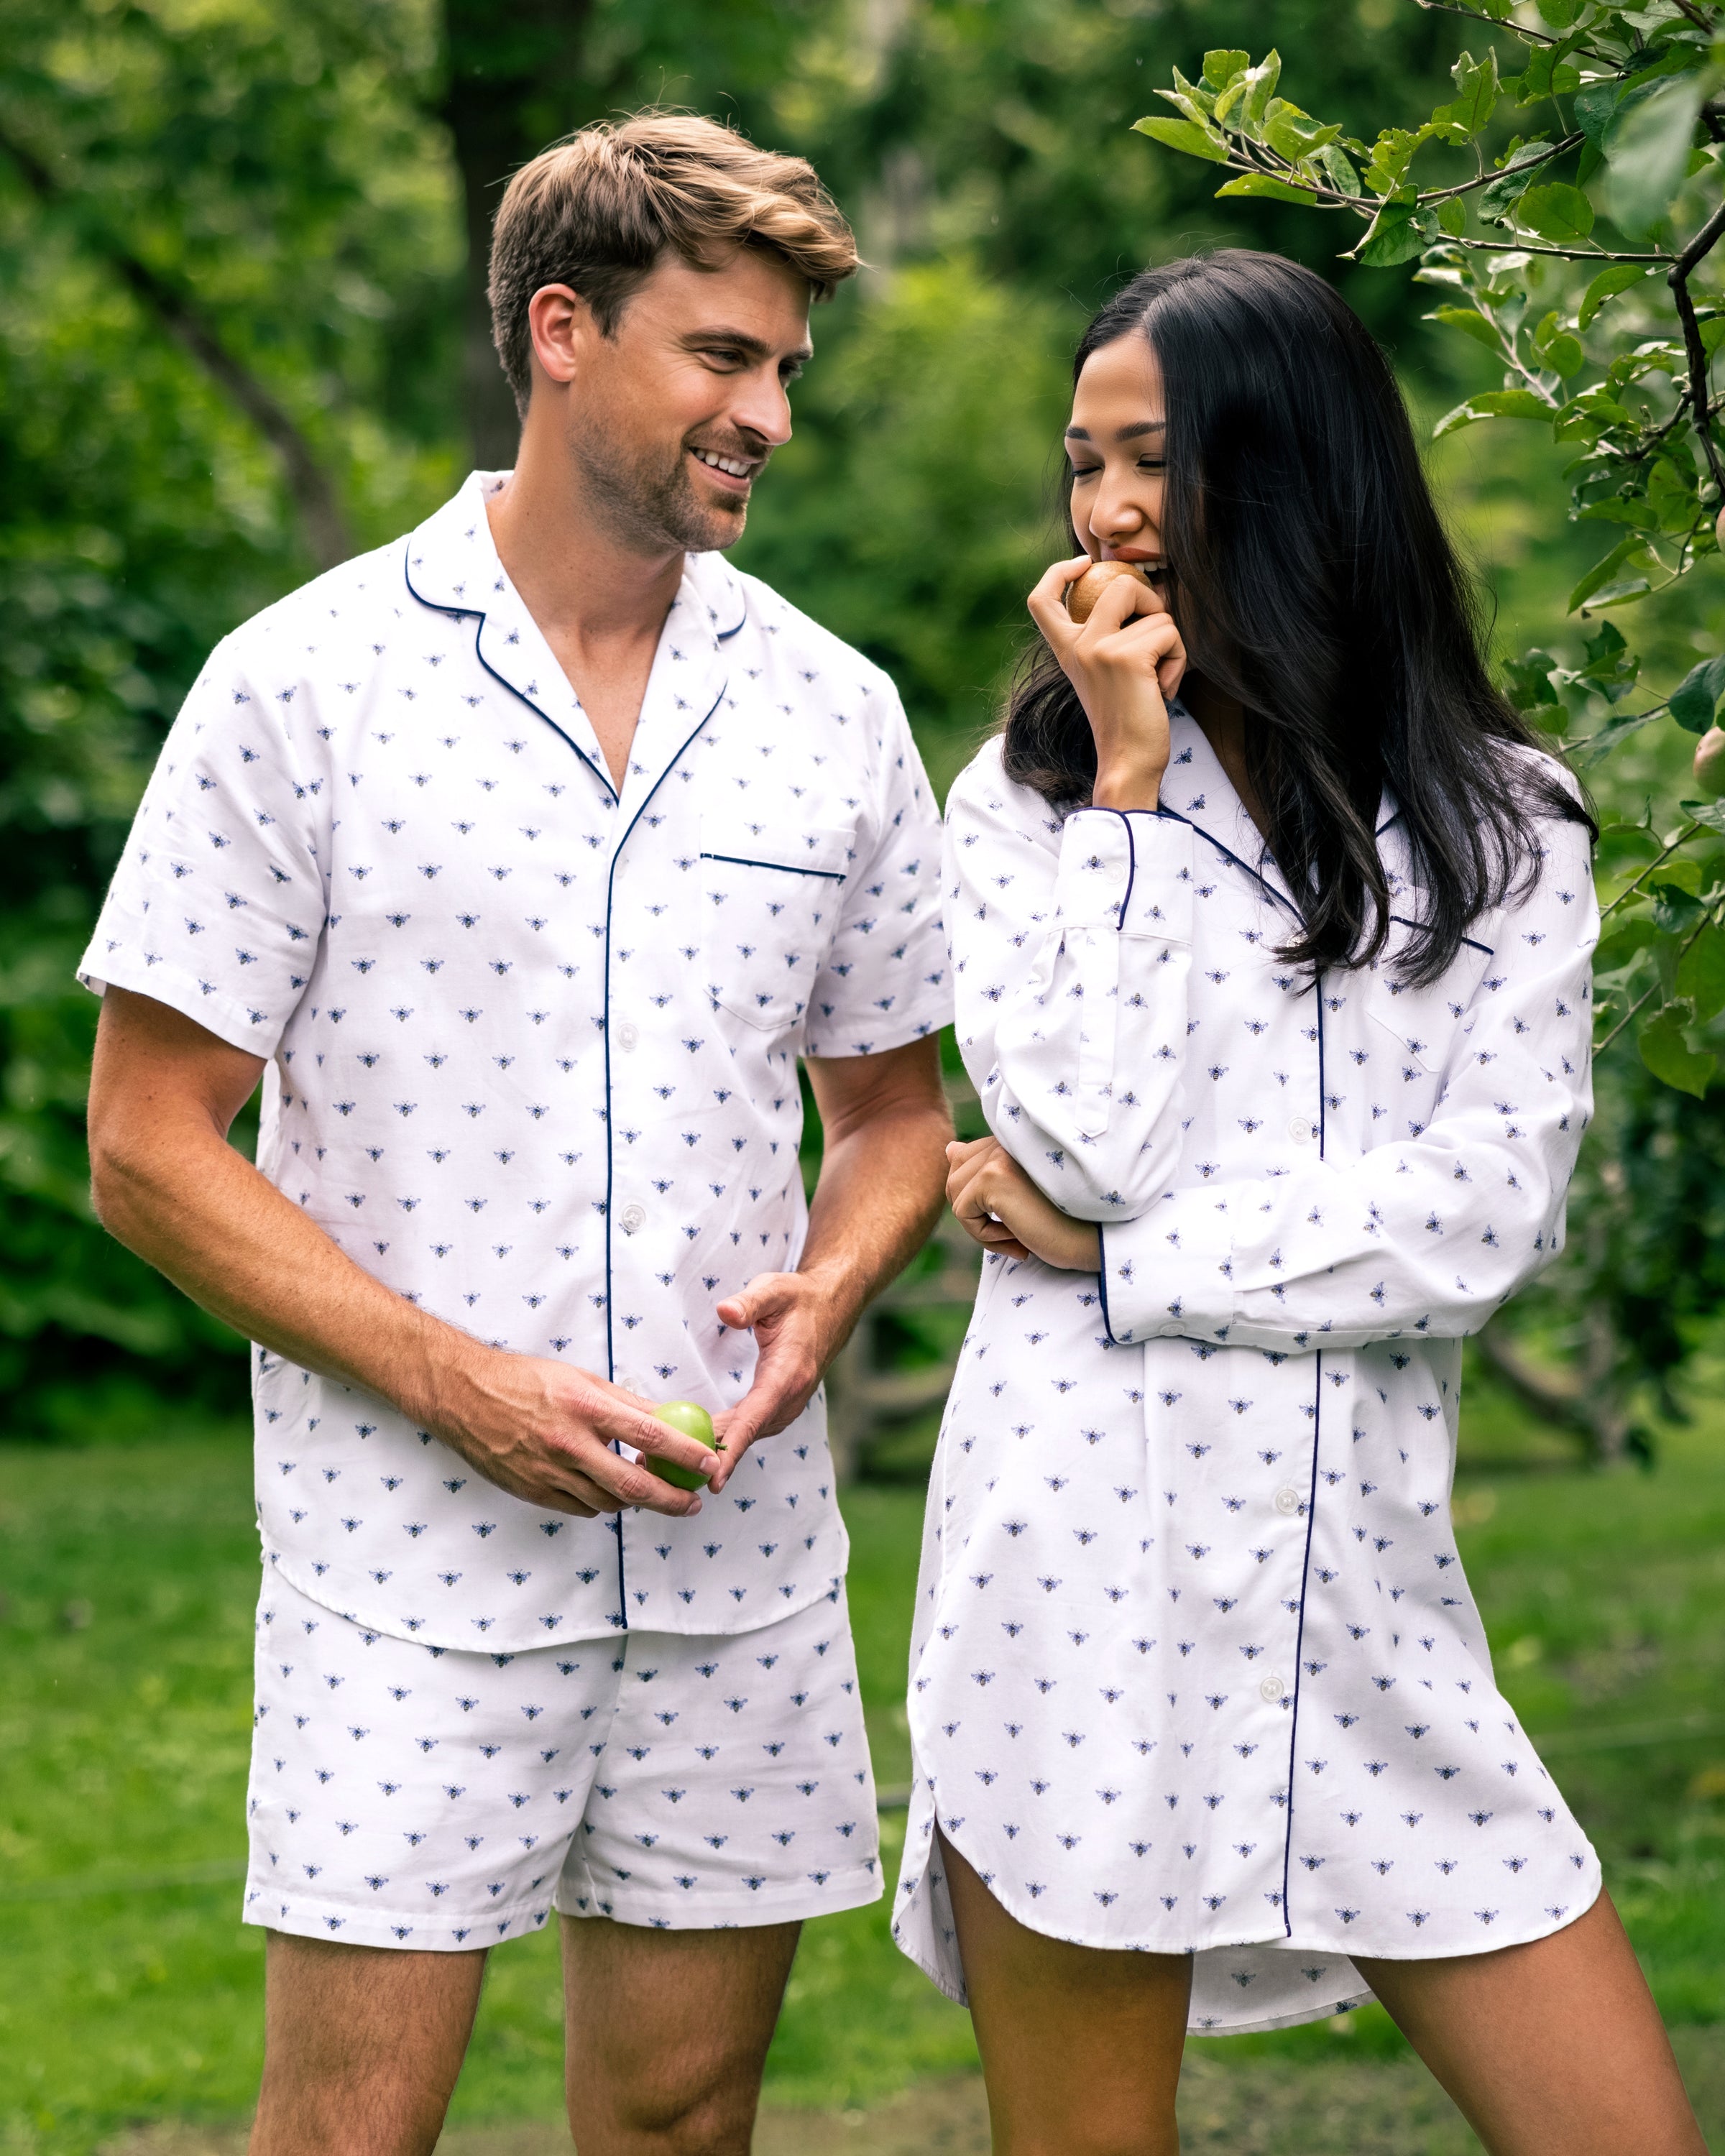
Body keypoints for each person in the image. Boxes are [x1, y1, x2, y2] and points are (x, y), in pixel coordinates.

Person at [82, 112, 953, 2156]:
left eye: (786, 374)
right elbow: (145, 1141)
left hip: (738, 1565)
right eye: (723, 358)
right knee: (347, 2139)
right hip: (407, 1572)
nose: (769, 417)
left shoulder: (838, 711)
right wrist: (456, 1383)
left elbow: (898, 1118)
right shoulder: (297, 688)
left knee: (679, 2127)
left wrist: (834, 1281)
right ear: (563, 332)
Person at [891, 250, 1706, 2156]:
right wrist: (1129, 776)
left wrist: (1134, 1262)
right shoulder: (1025, 812)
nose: (1106, 511)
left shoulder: (1504, 821)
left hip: (1364, 1610)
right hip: (1071, 1598)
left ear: (1291, 471)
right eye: (1081, 462)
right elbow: (1080, 1138)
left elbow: (1483, 1216)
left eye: (1154, 459)